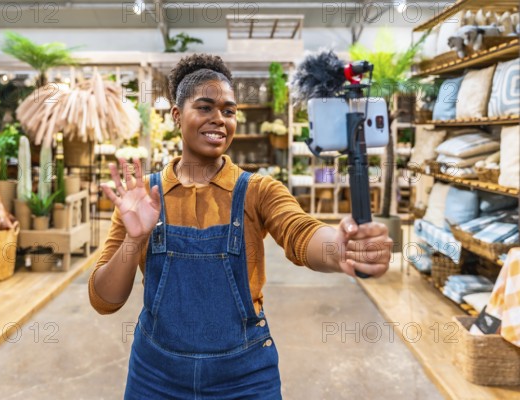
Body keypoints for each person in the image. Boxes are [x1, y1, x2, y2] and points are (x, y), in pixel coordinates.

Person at [89, 54, 393, 399]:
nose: (219, 119)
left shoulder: (258, 191)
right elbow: (105, 300)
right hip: (156, 375)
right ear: (177, 115)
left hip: (244, 377)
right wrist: (135, 237)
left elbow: (301, 232)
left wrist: (341, 247)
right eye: (204, 107)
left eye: (228, 111)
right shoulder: (142, 197)